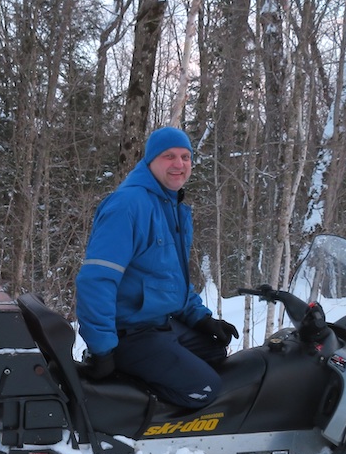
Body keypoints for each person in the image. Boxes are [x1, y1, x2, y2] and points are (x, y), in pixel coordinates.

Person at [74, 126, 238, 409]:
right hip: (130, 333)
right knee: (206, 388)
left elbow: (170, 278)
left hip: (160, 324)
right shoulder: (128, 205)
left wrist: (200, 318)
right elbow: (95, 281)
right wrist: (102, 350)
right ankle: (133, 415)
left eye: (186, 157)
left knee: (214, 352)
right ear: (149, 161)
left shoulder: (171, 207)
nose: (179, 164)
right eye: (169, 156)